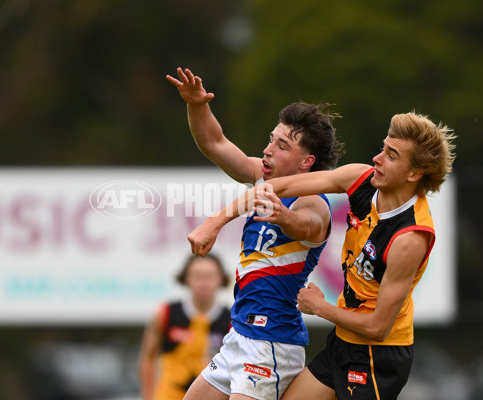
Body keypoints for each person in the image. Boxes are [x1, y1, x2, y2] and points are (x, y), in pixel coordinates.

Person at [187, 111, 456, 400]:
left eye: (391, 155)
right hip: (339, 343)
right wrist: (215, 222)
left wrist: (321, 307)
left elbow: (378, 328)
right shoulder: (361, 178)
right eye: (383, 148)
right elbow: (277, 185)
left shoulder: (410, 237)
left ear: (414, 174)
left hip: (378, 357)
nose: (377, 158)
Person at [166, 67, 344, 400]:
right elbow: (214, 142)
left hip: (272, 341)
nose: (268, 150)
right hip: (241, 335)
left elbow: (306, 226)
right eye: (270, 139)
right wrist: (196, 105)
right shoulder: (261, 181)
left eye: (281, 145)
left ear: (306, 162)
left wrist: (284, 216)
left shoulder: (314, 204)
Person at [138, 254, 231, 400]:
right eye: (197, 276)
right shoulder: (165, 313)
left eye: (209, 276)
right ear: (185, 279)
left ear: (221, 279)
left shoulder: (232, 319)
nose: (203, 283)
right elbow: (147, 358)